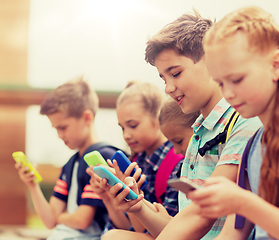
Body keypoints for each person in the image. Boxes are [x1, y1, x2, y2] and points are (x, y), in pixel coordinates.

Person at [105, 11, 261, 240]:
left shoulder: (242, 122)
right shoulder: (198, 134)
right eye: (164, 79)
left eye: (176, 73)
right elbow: (186, 226)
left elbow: (201, 216)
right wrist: (138, 207)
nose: (168, 88)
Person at [187, 6, 279, 240]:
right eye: (221, 83)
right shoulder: (254, 144)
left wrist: (244, 202)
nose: (229, 93)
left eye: (237, 79)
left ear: (276, 65)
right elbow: (233, 233)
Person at [15, 77, 127, 240]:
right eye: (56, 129)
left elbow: (81, 220)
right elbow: (49, 220)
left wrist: (58, 218)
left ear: (87, 118)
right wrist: (32, 185)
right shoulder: (70, 164)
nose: (59, 135)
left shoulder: (102, 158)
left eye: (63, 127)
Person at [91, 81, 184, 239]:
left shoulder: (176, 161)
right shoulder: (135, 160)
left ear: (158, 117)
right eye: (122, 128)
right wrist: (108, 196)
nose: (126, 135)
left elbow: (173, 231)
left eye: (133, 125)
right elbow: (130, 227)